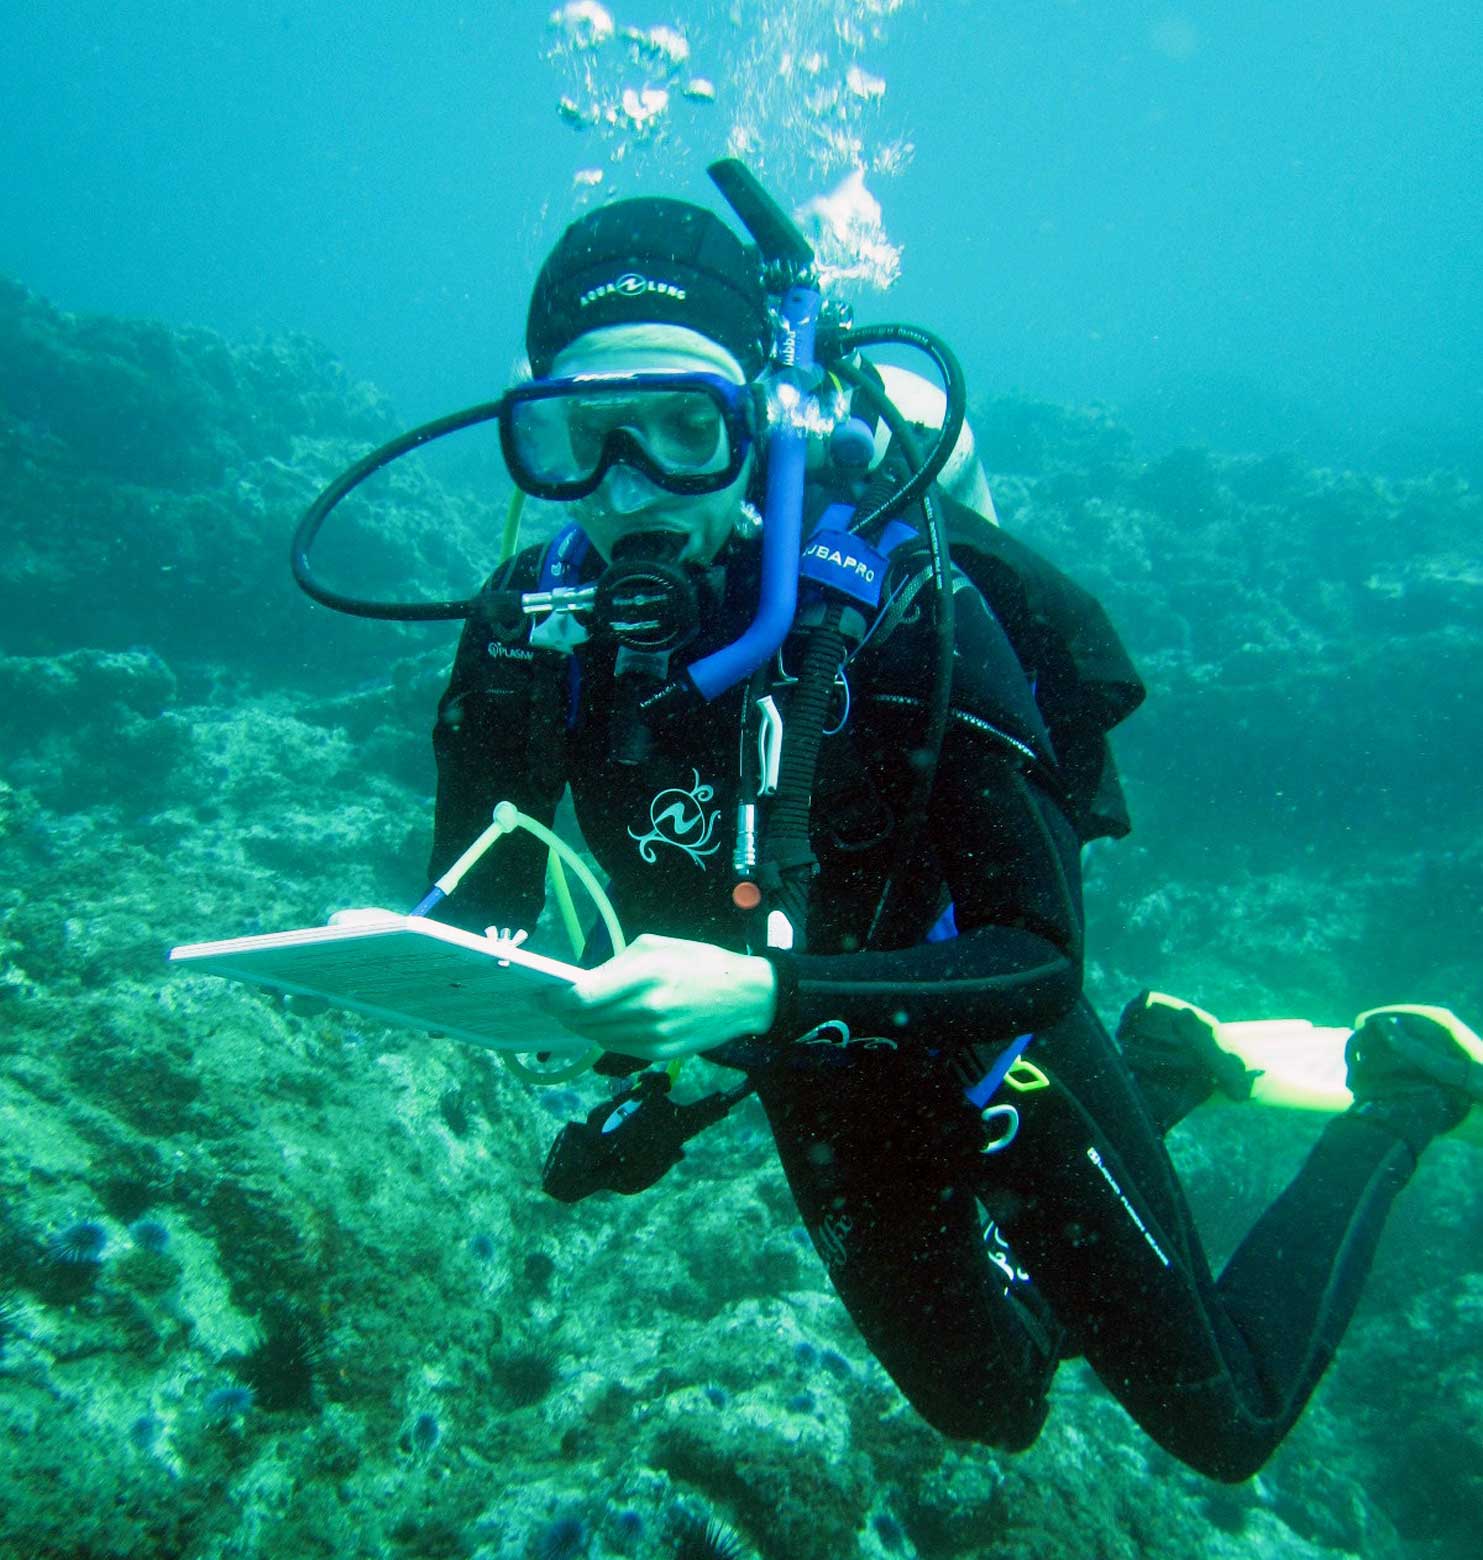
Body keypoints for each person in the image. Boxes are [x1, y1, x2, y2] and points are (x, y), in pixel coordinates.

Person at [420, 182, 1483, 1481]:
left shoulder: (901, 609)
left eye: (681, 427)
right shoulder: (532, 638)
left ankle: (1408, 1088)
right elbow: (488, 917)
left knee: (1227, 1420)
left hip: (990, 1050)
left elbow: (1037, 956)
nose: (626, 485)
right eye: (579, 434)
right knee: (991, 1405)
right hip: (813, 1074)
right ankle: (1176, 1064)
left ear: (760, 423)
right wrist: (640, 1074)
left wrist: (758, 991)